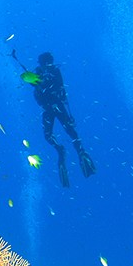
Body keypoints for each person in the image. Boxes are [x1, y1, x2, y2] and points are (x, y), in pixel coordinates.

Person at [31, 52, 96, 188]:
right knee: (60, 133)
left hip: (52, 107)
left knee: (58, 133)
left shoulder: (47, 71)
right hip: (53, 107)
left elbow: (51, 88)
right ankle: (71, 151)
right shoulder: (47, 72)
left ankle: (71, 151)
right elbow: (56, 92)